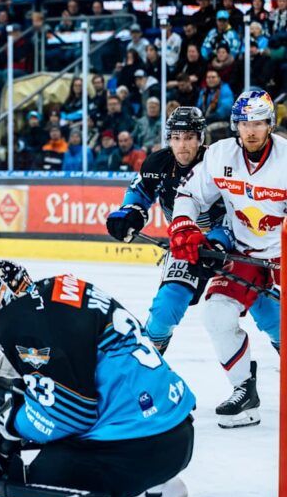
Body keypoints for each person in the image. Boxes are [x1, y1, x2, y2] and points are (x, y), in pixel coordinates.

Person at [0, 255, 223, 497]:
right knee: (69, 450)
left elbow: (71, 413)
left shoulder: (16, 319)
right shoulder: (61, 287)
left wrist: (12, 424)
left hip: (141, 444)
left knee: (42, 473)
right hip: (176, 433)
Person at [169, 90, 284, 429]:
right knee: (217, 314)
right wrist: (184, 224)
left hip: (284, 256)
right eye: (245, 123)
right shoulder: (220, 155)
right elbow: (190, 193)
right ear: (236, 125)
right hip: (245, 254)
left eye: (259, 123)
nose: (251, 131)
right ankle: (244, 392)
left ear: (270, 124)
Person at [105, 107, 252, 358]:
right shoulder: (157, 164)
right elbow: (139, 194)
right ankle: (146, 368)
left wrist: (219, 241)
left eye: (189, 138)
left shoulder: (220, 164)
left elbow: (239, 211)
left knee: (268, 311)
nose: (182, 145)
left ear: (201, 138)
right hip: (187, 247)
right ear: (168, 139)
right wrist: (129, 214)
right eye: (176, 137)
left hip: (232, 247)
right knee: (163, 311)